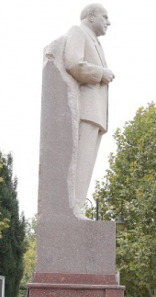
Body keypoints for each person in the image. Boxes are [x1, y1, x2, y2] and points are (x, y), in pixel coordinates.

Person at [63, 3, 115, 219]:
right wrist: (101, 73)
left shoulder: (96, 42)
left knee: (87, 162)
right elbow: (73, 64)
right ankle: (73, 207)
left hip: (96, 112)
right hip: (86, 109)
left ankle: (78, 206)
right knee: (81, 160)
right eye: (105, 17)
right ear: (92, 17)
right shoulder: (78, 32)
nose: (108, 22)